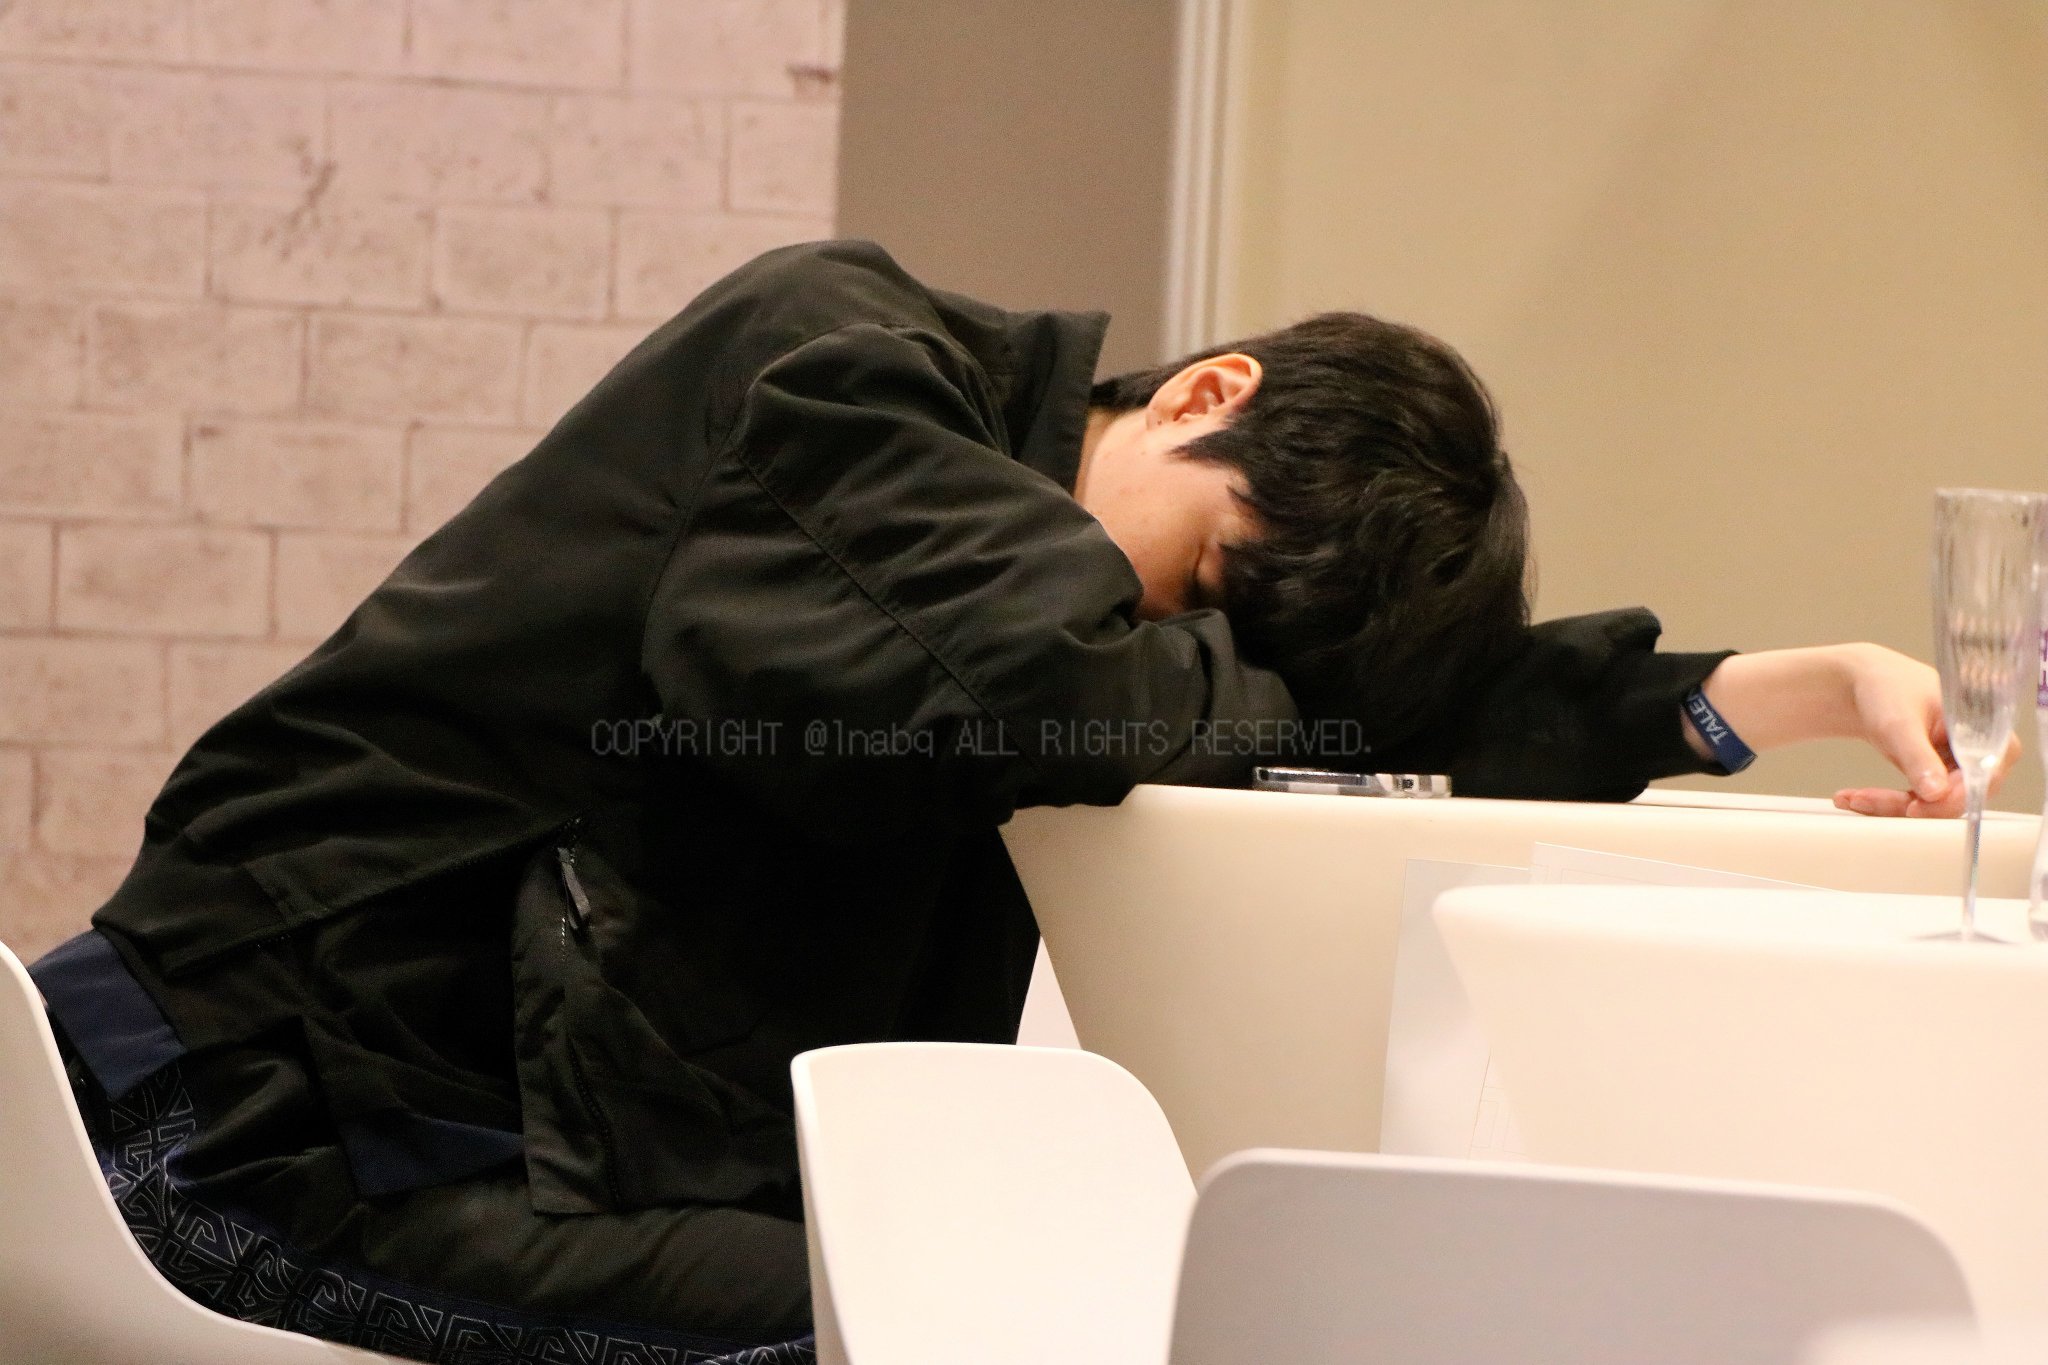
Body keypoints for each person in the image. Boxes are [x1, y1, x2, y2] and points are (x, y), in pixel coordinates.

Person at [26, 240, 2005, 1363]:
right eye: (1195, 583)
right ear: (1202, 392)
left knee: (1058, 1302)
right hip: (242, 1110)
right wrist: (1255, 701)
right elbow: (1009, 682)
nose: (1168, 643)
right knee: (946, 1321)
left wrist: (1758, 693)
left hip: (497, 1133)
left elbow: (1314, 713)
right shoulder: (834, 370)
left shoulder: (1058, 579)